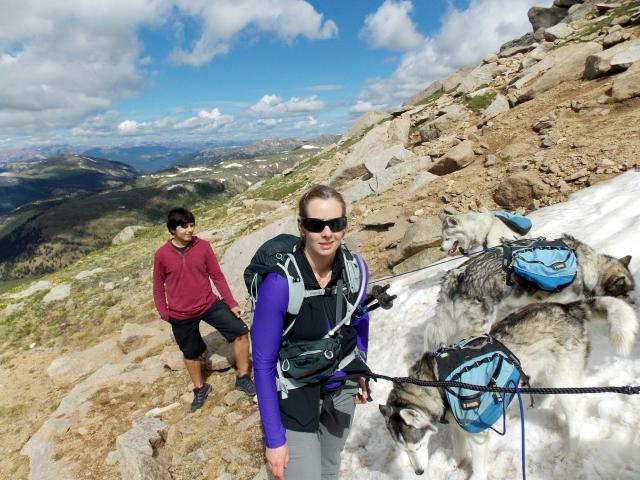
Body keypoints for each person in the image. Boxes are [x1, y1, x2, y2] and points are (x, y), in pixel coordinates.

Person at [251, 185, 370, 480]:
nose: (327, 233)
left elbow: (360, 320)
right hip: (295, 393)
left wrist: (360, 367)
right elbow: (263, 364)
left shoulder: (355, 269)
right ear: (302, 227)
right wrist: (274, 440)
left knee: (329, 469)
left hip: (342, 387)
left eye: (336, 224)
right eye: (317, 225)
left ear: (345, 225)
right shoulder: (279, 285)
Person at [153, 207, 255, 413]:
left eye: (191, 225)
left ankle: (243, 377)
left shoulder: (203, 247)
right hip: (180, 313)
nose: (189, 230)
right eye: (184, 226)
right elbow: (157, 286)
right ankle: (200, 388)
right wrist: (165, 313)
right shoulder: (162, 255)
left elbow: (217, 275)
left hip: (208, 303)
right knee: (190, 352)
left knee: (240, 331)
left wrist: (231, 303)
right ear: (172, 229)